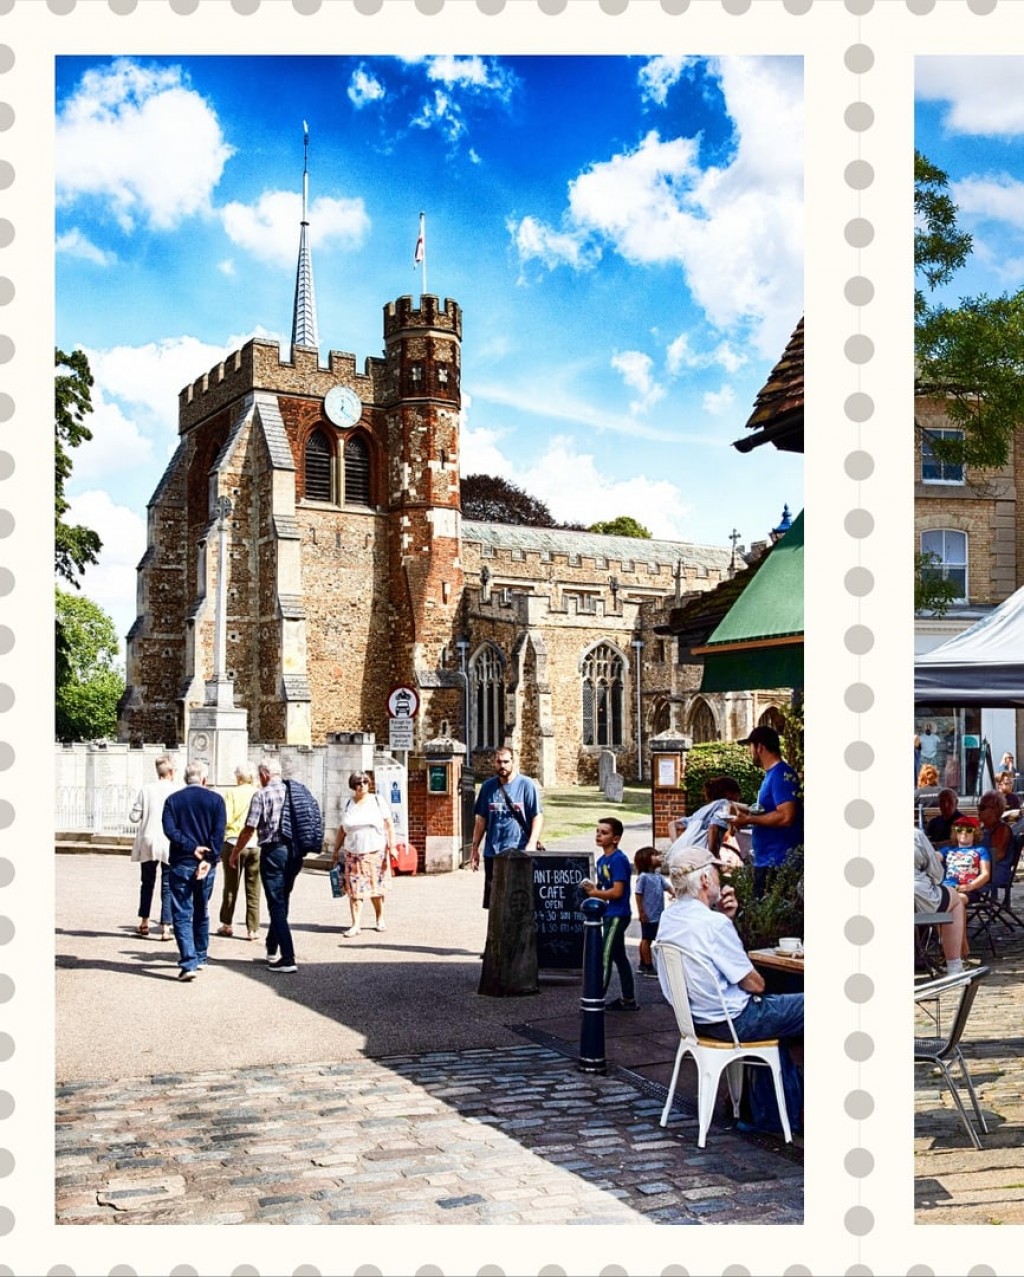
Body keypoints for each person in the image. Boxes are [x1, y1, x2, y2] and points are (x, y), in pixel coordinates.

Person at [655, 845, 803, 1134]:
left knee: (779, 1029)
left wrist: (726, 917)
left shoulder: (669, 917)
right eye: (717, 874)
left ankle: (773, 1114)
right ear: (706, 881)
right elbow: (754, 983)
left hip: (698, 1021)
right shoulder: (713, 924)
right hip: (734, 1019)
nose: (721, 880)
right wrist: (724, 922)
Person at [232, 757, 302, 973]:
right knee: (282, 899)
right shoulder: (294, 792)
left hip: (273, 851)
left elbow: (249, 828)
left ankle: (288, 957)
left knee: (276, 903)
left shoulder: (261, 795)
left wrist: (235, 852)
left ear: (263, 775)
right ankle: (272, 947)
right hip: (295, 852)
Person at [161, 761, 226, 981]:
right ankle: (200, 955)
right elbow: (219, 833)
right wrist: (209, 857)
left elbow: (170, 830)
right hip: (207, 864)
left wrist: (191, 848)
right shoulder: (216, 800)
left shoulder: (173, 800)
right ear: (205, 780)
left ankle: (188, 961)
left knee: (182, 912)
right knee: (202, 908)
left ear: (184, 779)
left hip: (182, 860)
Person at [732, 727, 803, 897]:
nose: (750, 752)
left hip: (777, 862)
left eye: (750, 746)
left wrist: (749, 820)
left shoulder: (781, 774)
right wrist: (737, 808)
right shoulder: (772, 775)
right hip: (768, 860)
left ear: (760, 747)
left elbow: (786, 816)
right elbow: (768, 810)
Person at [470, 747, 543, 909]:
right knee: (494, 903)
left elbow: (537, 816)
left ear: (513, 762)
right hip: (493, 853)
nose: (502, 765)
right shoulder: (488, 787)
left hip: (519, 851)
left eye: (506, 762)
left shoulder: (526, 785)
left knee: (520, 901)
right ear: (494, 763)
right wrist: (475, 848)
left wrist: (532, 843)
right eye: (499, 762)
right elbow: (481, 820)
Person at [331, 771, 395, 937]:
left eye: (365, 782)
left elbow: (389, 825)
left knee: (375, 889)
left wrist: (392, 846)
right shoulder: (349, 804)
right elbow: (342, 829)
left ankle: (379, 918)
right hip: (353, 853)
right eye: (359, 783)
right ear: (353, 786)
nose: (362, 786)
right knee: (354, 890)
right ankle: (355, 924)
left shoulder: (377, 801)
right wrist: (335, 849)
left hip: (375, 851)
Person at [581, 817, 636, 1010]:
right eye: (597, 831)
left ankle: (596, 997)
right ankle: (629, 998)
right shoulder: (602, 860)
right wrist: (594, 889)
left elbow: (617, 891)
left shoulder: (618, 860)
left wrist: (596, 893)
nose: (598, 835)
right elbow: (606, 888)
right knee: (619, 956)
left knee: (604, 955)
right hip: (609, 912)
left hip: (617, 914)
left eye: (604, 833)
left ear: (616, 838)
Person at [128, 754, 178, 941]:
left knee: (147, 882)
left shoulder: (146, 789)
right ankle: (165, 926)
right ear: (171, 772)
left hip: (148, 837)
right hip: (168, 840)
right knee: (167, 884)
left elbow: (134, 817)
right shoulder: (176, 790)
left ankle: (144, 922)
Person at [913, 827, 966, 977]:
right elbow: (937, 874)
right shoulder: (915, 835)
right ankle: (954, 965)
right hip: (917, 897)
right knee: (955, 899)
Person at [216, 763, 260, 941]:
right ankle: (252, 928)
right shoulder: (258, 793)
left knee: (230, 885)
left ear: (239, 777)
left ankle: (227, 923)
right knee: (253, 888)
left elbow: (225, 818)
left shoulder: (232, 793)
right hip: (255, 843)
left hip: (234, 840)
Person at [666, 776, 745, 865]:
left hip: (677, 859)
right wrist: (712, 858)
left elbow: (673, 825)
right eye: (738, 795)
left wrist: (678, 845)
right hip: (696, 860)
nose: (739, 800)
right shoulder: (725, 804)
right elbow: (714, 827)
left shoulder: (703, 810)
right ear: (729, 794)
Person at [633, 845, 667, 978]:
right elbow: (638, 895)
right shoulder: (643, 877)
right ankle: (648, 965)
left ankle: (643, 963)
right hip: (648, 914)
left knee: (648, 938)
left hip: (658, 914)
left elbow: (668, 887)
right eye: (655, 855)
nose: (659, 857)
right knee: (647, 939)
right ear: (646, 860)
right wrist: (641, 912)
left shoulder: (658, 876)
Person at [978, 789, 1015, 892]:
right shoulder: (984, 829)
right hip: (985, 870)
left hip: (995, 872)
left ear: (995, 810)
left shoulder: (1002, 829)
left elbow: (997, 855)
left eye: (982, 807)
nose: (978, 811)